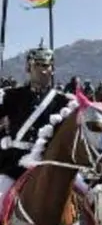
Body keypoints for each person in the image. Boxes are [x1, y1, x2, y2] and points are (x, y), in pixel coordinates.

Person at [0, 44, 84, 198]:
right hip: (14, 163)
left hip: (51, 162)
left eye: (46, 65)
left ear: (53, 70)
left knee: (88, 196)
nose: (42, 70)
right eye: (37, 65)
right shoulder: (11, 96)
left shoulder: (63, 101)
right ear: (28, 68)